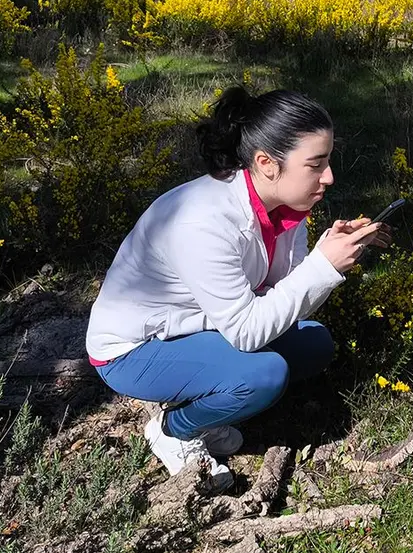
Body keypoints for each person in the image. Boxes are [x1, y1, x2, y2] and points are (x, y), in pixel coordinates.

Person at [85, 86, 391, 490]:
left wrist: (326, 258)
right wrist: (322, 267)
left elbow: (292, 303)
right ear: (266, 162)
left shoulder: (286, 206)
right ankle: (174, 429)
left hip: (198, 327)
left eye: (329, 160)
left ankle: (205, 403)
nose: (330, 177)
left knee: (314, 343)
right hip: (133, 350)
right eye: (316, 164)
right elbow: (248, 333)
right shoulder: (202, 222)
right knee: (263, 374)